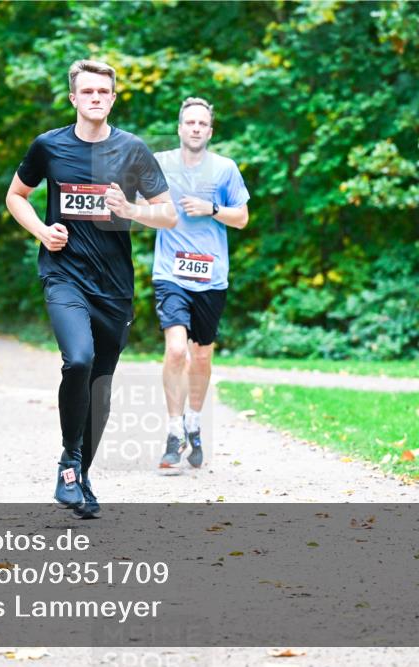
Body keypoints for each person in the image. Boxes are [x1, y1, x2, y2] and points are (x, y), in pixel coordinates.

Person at [5, 59, 176, 518]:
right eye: (88, 91)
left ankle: (82, 479)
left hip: (114, 287)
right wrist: (42, 231)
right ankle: (69, 461)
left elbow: (169, 214)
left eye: (104, 91)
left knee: (100, 384)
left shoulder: (133, 150)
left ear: (113, 98)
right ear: (74, 98)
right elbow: (15, 196)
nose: (96, 97)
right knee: (77, 360)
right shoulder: (49, 146)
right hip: (64, 274)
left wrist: (133, 210)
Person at [144, 97, 250, 471]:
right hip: (170, 273)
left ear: (210, 130)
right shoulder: (160, 164)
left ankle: (194, 421)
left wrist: (212, 210)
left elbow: (242, 218)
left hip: (211, 277)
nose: (195, 128)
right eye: (189, 122)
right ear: (179, 127)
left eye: (202, 123)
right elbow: (141, 208)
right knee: (176, 350)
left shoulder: (225, 169)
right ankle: (174, 432)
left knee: (201, 354)